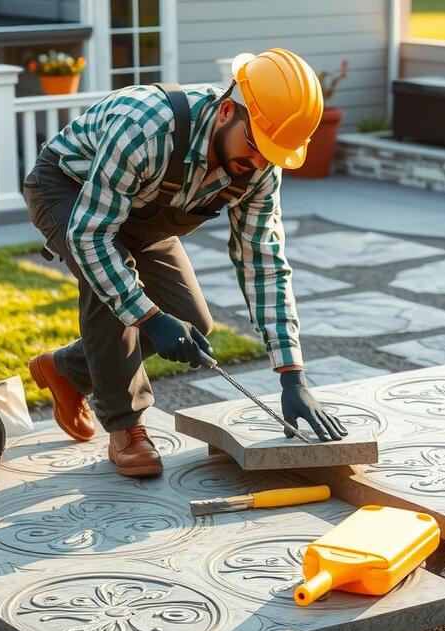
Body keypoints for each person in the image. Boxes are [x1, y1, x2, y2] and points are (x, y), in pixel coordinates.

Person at [24, 48, 348, 478]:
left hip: (142, 212)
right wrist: (149, 317)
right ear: (227, 111)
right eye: (256, 147)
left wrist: (292, 374)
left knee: (193, 322)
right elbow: (92, 237)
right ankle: (126, 426)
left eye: (272, 154)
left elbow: (263, 260)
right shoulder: (144, 128)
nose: (259, 165)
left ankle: (65, 369)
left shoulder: (260, 168)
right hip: (68, 190)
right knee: (114, 291)